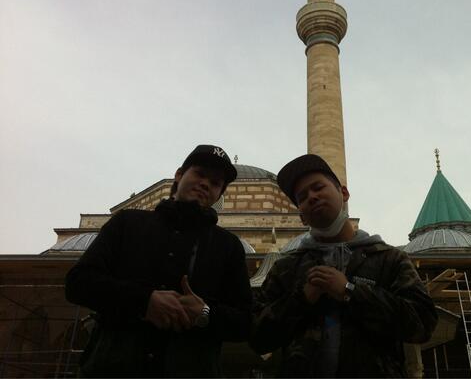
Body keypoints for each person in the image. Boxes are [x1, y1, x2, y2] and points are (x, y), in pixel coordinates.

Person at [65, 145, 252, 377]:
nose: (205, 184)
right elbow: (78, 283)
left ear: (219, 195)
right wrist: (144, 301)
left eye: (215, 183)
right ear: (179, 175)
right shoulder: (127, 223)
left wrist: (205, 313)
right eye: (200, 174)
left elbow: (246, 321)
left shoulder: (228, 246)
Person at [250, 154, 437, 377]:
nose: (312, 197)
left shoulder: (388, 259)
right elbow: (257, 338)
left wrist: (350, 292)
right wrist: (303, 298)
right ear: (301, 216)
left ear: (344, 193)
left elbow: (423, 324)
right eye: (302, 197)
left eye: (318, 187)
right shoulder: (287, 268)